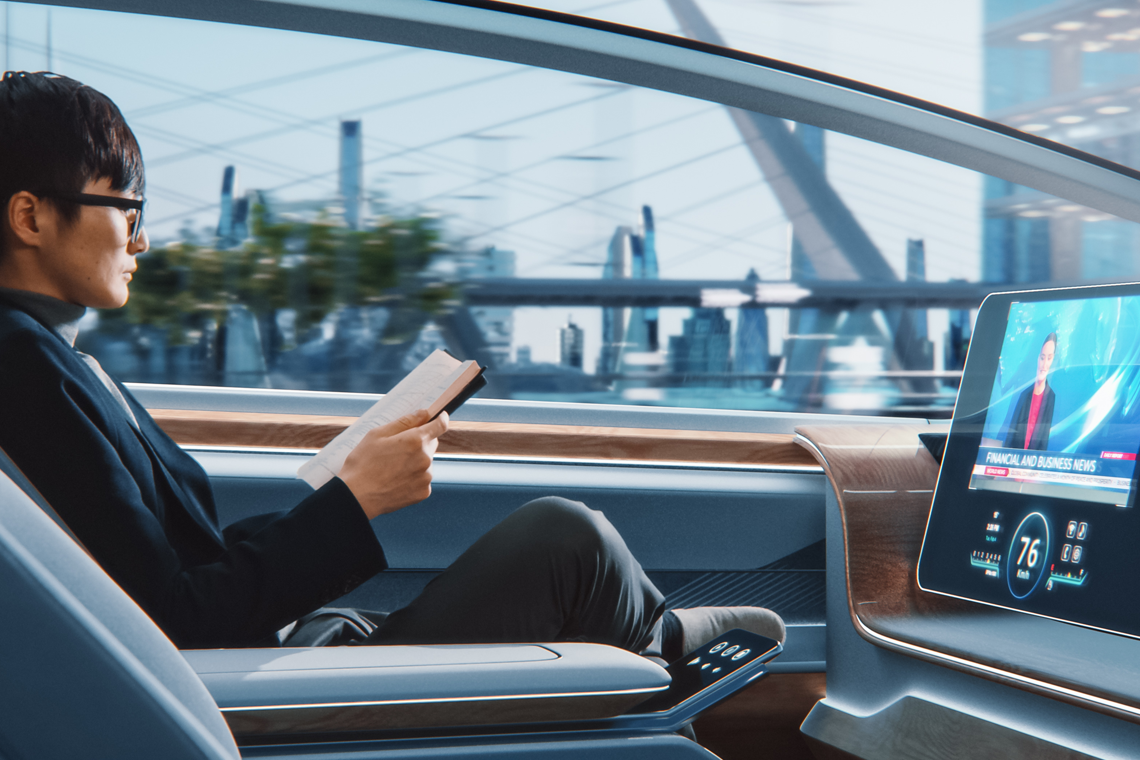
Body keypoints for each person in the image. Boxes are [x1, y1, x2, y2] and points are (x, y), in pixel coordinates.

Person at [0, 71, 783, 662]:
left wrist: (346, 489)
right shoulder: (27, 371)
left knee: (568, 545)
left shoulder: (50, 361)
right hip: (247, 686)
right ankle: (658, 649)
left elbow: (171, 567)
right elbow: (177, 618)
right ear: (31, 215)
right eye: (126, 210)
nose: (141, 241)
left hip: (263, 654)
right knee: (569, 538)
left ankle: (650, 641)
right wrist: (355, 501)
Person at [1003, 332, 1057, 451]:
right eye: (1042, 357)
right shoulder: (1024, 394)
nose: (1044, 364)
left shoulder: (1052, 398)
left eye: (1049, 358)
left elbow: (1045, 440)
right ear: (1037, 358)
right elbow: (1011, 434)